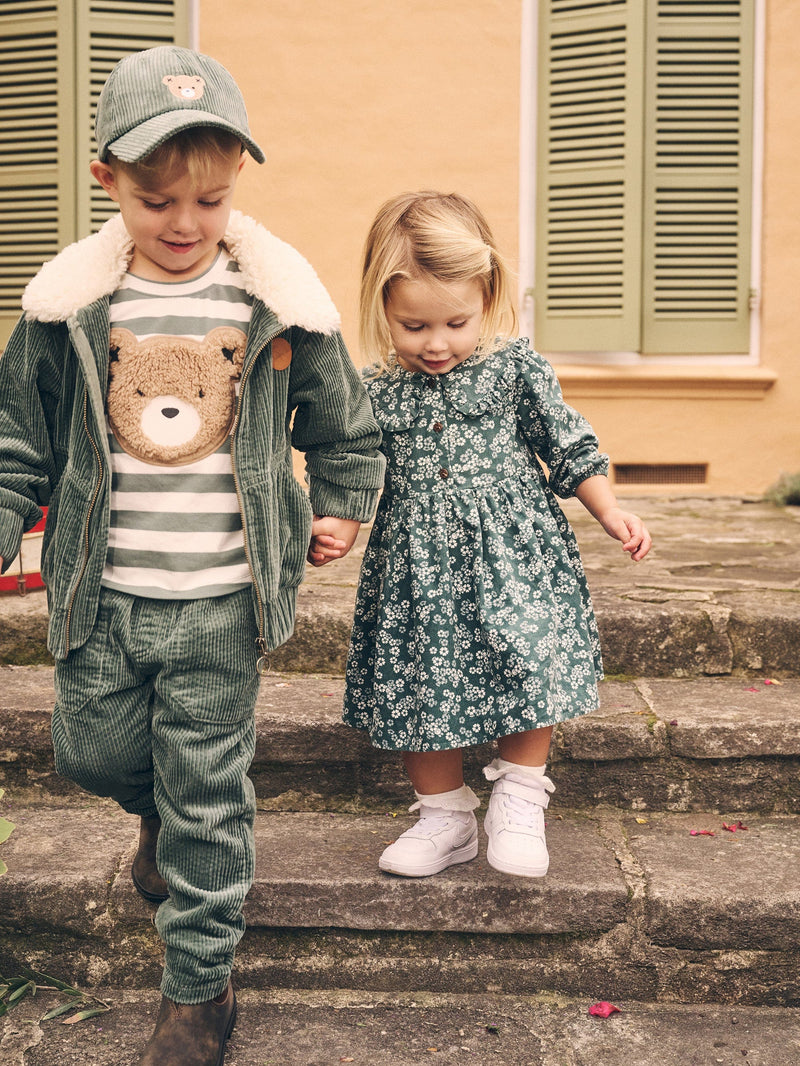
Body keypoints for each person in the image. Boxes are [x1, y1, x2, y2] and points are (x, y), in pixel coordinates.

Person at [0, 46, 384, 1066]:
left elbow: (341, 426)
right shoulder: (67, 306)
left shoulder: (277, 301)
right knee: (88, 751)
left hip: (223, 597)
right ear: (108, 183)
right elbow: (19, 442)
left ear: (236, 187)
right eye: (157, 199)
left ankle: (197, 992)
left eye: (208, 201)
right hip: (101, 589)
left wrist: (341, 503)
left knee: (208, 792)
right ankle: (156, 816)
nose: (183, 223)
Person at [342, 191, 651, 881]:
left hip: (518, 554)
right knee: (421, 682)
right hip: (415, 566)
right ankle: (444, 818)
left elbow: (566, 444)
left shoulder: (514, 368)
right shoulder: (376, 391)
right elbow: (353, 467)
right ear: (381, 308)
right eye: (413, 324)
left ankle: (517, 797)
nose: (437, 343)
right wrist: (337, 521)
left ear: (488, 297)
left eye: (456, 321)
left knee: (529, 659)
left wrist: (610, 510)